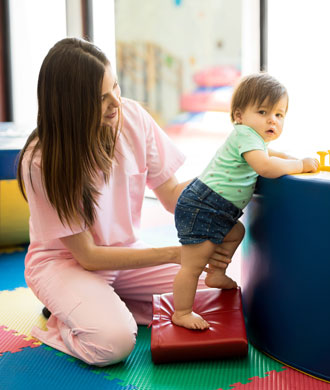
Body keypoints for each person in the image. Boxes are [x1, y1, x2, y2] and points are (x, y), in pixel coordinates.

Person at [16, 38, 230, 366]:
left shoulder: (132, 117)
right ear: (71, 106)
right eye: (100, 99)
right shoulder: (42, 159)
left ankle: (106, 304)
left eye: (114, 86)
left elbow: (174, 197)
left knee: (220, 294)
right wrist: (176, 254)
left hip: (125, 254)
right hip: (67, 263)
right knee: (113, 343)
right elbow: (87, 256)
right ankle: (63, 319)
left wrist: (226, 177)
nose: (115, 102)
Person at [172, 72, 319, 330]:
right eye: (262, 112)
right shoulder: (245, 135)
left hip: (219, 210)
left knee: (236, 232)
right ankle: (182, 312)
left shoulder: (254, 140)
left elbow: (272, 153)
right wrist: (300, 165)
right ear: (239, 116)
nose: (272, 119)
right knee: (192, 264)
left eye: (279, 114)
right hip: (204, 206)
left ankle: (216, 273)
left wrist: (292, 156)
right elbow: (265, 166)